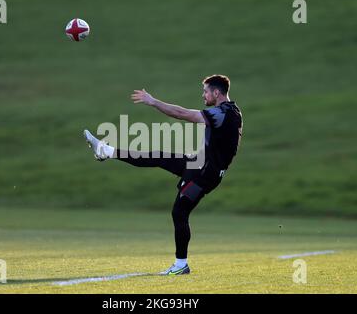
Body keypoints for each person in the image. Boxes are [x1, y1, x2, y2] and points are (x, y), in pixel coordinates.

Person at [83, 74, 242, 275]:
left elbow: (181, 113)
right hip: (199, 164)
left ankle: (181, 264)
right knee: (158, 157)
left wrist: (153, 102)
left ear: (216, 92)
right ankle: (106, 151)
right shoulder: (232, 111)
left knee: (180, 213)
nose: (203, 95)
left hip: (204, 173)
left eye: (206, 91)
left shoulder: (222, 113)